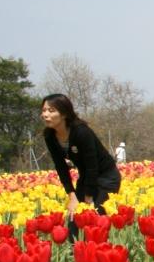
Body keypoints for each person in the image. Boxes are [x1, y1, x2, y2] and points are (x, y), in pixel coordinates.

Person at [41, 93, 121, 224]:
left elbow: (92, 165)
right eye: (44, 110)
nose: (45, 114)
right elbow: (61, 167)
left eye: (51, 110)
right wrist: (72, 197)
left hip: (106, 177)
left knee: (95, 219)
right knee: (74, 221)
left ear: (64, 113)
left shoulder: (81, 132)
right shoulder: (49, 136)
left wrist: (88, 198)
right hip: (86, 177)